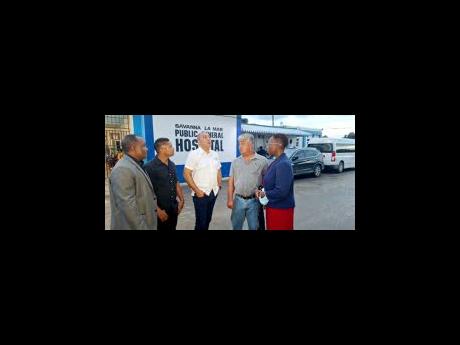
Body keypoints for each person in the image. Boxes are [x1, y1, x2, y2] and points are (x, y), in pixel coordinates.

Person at [109, 135, 158, 230]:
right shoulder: (123, 169)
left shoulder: (136, 164)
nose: (147, 149)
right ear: (133, 148)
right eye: (143, 146)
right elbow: (127, 206)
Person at [227, 134, 268, 230]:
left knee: (255, 227)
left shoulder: (263, 161)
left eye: (243, 143)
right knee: (236, 226)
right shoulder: (235, 162)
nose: (240, 146)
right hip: (238, 200)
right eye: (239, 144)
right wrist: (229, 199)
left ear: (251, 144)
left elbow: (266, 181)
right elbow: (230, 182)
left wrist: (265, 198)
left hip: (254, 201)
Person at [183, 131, 222, 230]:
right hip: (201, 194)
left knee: (208, 219)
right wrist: (197, 191)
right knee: (201, 222)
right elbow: (186, 174)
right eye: (205, 137)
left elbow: (218, 170)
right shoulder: (194, 154)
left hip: (214, 192)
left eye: (209, 137)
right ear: (198, 141)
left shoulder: (215, 154)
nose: (208, 139)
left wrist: (219, 185)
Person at [143, 138, 185, 231]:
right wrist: (157, 211)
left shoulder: (172, 165)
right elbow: (146, 192)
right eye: (170, 146)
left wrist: (181, 200)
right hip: (159, 211)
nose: (173, 148)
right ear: (161, 149)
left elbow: (176, 182)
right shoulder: (149, 167)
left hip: (173, 208)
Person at [256, 134, 295, 230]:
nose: (267, 146)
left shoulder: (283, 164)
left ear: (279, 145)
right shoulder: (277, 161)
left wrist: (263, 194)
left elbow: (281, 191)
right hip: (273, 207)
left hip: (281, 210)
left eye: (269, 143)